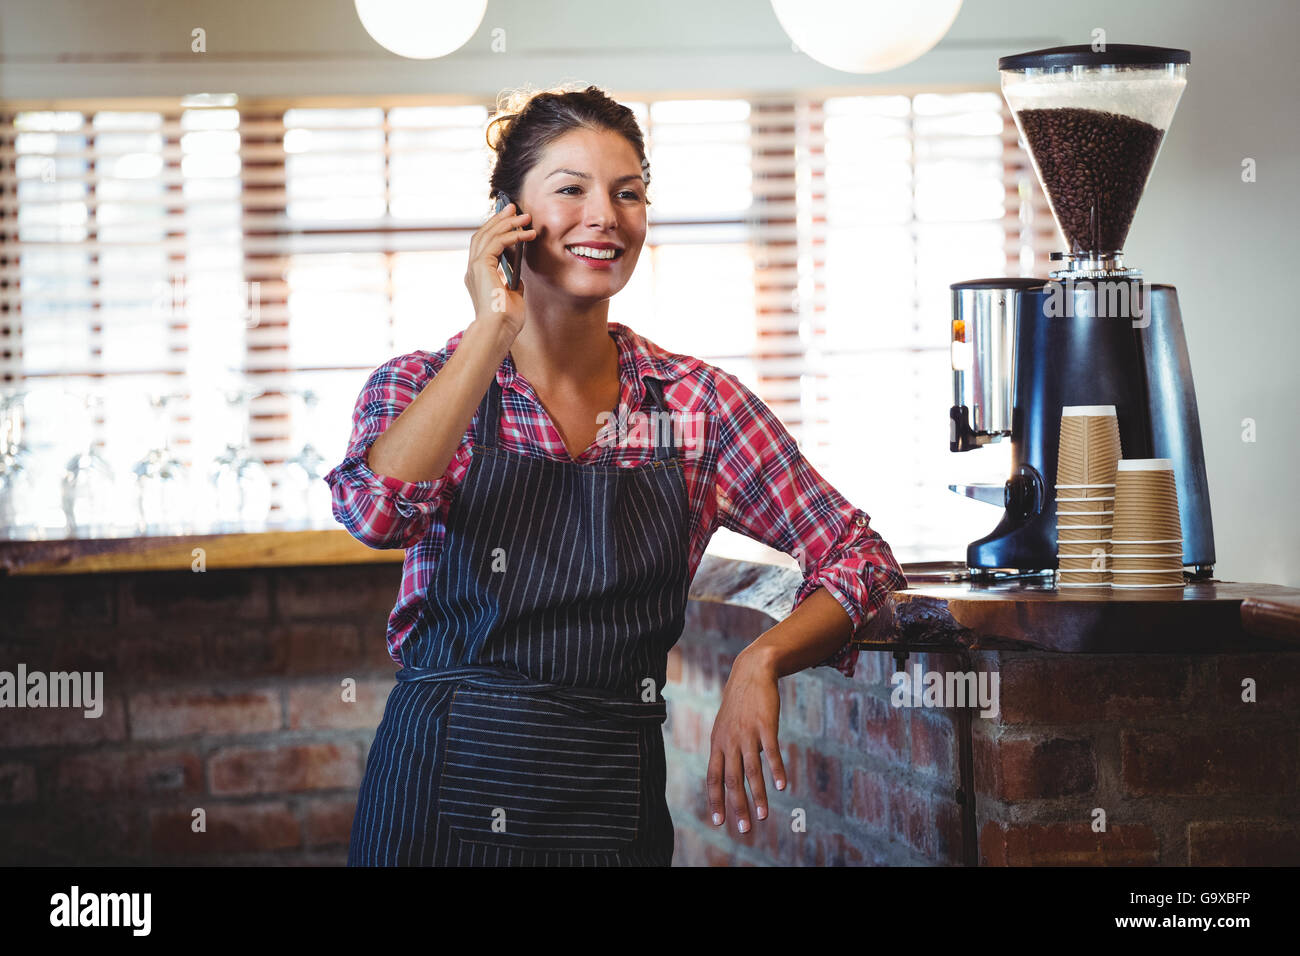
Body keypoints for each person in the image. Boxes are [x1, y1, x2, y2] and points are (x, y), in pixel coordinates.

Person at [327, 83, 908, 867]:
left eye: (627, 192)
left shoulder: (697, 405)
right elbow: (375, 514)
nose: (605, 214)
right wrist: (491, 328)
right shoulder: (423, 385)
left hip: (610, 798)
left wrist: (764, 657)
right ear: (507, 217)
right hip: (437, 789)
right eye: (570, 189)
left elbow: (858, 555)